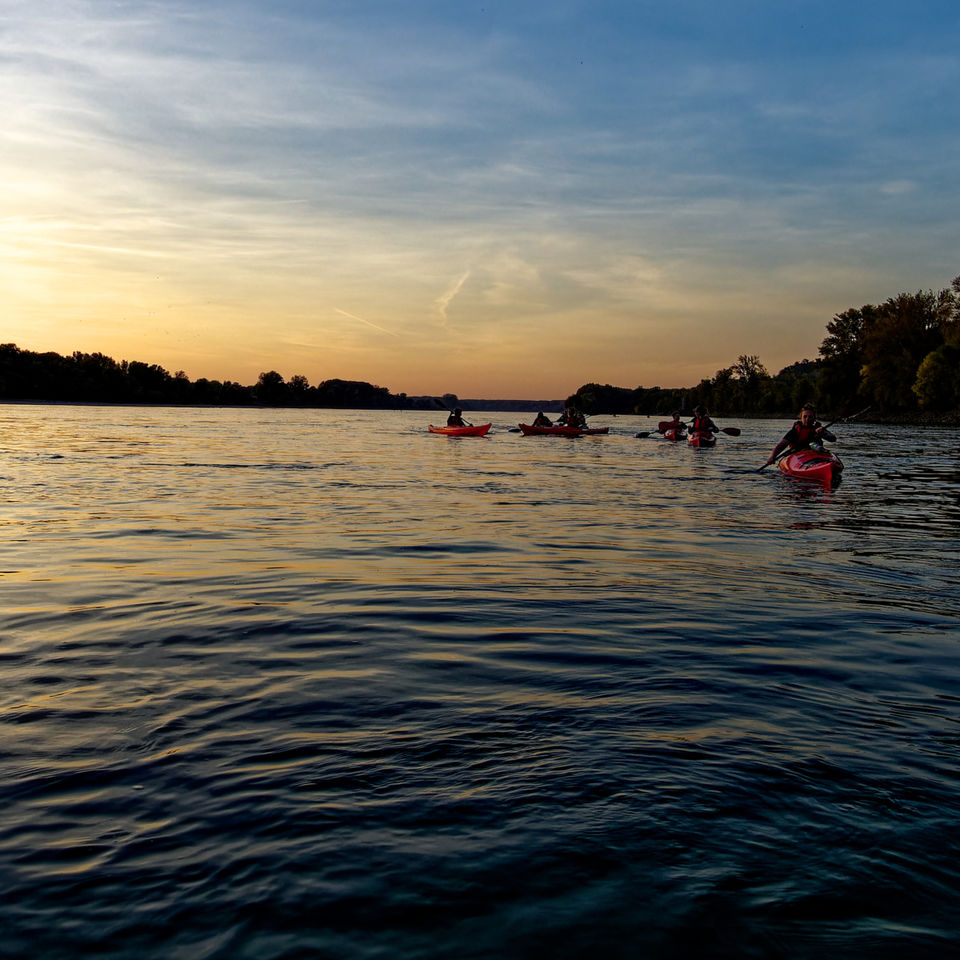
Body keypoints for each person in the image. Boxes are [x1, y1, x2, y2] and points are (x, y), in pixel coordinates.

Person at [764, 404, 836, 465]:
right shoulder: (794, 432)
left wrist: (823, 433)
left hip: (816, 455)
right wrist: (773, 457)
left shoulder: (819, 429)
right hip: (798, 456)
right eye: (805, 416)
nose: (807, 419)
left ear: (814, 418)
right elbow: (782, 445)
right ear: (801, 418)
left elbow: (833, 439)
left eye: (810, 417)